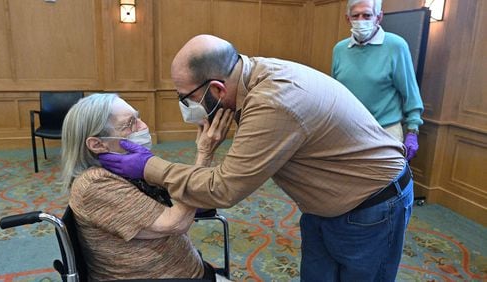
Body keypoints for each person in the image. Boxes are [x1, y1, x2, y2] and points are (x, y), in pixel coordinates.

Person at [99, 35, 414, 281]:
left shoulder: (273, 101)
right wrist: (205, 150)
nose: (186, 107)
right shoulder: (250, 76)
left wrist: (150, 166)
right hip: (325, 205)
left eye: (188, 98)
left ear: (218, 89)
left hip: (373, 206)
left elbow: (225, 188)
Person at [61, 93, 232, 281]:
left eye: (138, 117)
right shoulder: (95, 185)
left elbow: (176, 195)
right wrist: (204, 154)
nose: (143, 127)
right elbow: (177, 222)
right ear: (97, 144)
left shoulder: (126, 166)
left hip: (185, 269)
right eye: (130, 123)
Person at [331, 0, 424, 161]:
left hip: (385, 132)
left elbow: (410, 93)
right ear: (348, 19)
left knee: (382, 186)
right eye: (356, 15)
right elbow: (335, 92)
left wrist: (413, 131)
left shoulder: (396, 46)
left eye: (367, 15)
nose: (361, 20)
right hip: (348, 131)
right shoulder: (340, 49)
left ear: (379, 17)